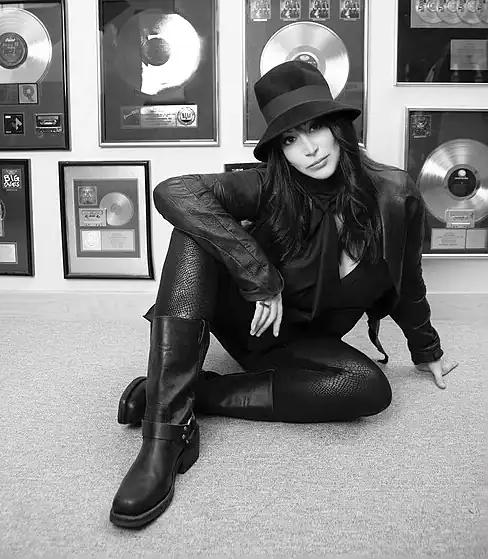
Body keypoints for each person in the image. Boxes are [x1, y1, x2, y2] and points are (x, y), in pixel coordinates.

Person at [109, 60, 458, 529]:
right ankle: (166, 434)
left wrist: (426, 349)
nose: (308, 149)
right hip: (246, 323)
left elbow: (407, 280)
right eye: (290, 140)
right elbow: (175, 190)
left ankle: (190, 393)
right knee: (192, 230)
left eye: (315, 128)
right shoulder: (272, 185)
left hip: (301, 343)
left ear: (338, 128)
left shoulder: (397, 197)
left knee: (369, 389)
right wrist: (261, 278)